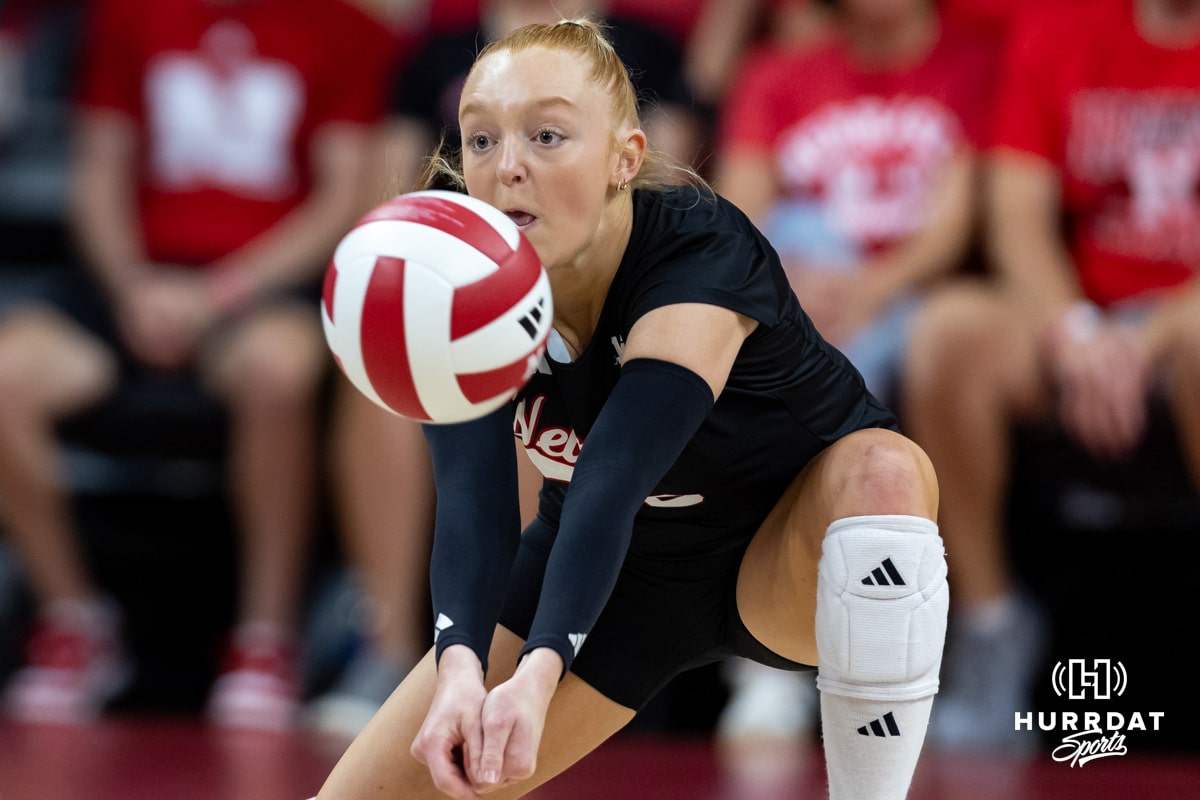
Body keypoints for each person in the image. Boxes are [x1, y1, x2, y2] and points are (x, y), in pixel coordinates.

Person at [313, 18, 947, 800]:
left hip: (785, 549)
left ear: (626, 158)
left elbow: (615, 473)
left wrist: (540, 671)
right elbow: (473, 496)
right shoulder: (451, 263)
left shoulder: (698, 246)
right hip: (619, 579)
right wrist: (460, 669)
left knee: (886, 469)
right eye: (480, 140)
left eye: (547, 135)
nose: (507, 167)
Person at [305, 0, 700, 741]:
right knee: (380, 388)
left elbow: (659, 193)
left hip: (601, 297)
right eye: (482, 136)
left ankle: (519, 656)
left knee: (532, 392)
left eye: (545, 131)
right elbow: (388, 206)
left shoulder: (645, 48)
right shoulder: (435, 52)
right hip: (462, 287)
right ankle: (387, 646)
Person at [0, 0, 394, 729]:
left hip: (261, 286)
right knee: (5, 375)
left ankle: (265, 638)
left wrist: (221, 294)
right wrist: (131, 286)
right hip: (133, 279)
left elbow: (341, 197)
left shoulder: (348, 28)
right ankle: (71, 622)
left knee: (278, 372)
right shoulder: (130, 17)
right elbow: (99, 171)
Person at [903, 0, 1200, 751]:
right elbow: (1017, 217)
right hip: (1083, 316)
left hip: (1184, 325)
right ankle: (989, 625)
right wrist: (1077, 334)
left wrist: (1155, 335)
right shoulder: (1062, 25)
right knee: (950, 331)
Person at [711, 0, 995, 745]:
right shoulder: (778, 74)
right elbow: (739, 215)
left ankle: (833, 655)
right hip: (804, 298)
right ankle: (771, 653)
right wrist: (791, 291)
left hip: (909, 300)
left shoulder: (972, 63)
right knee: (757, 325)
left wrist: (863, 293)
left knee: (823, 375)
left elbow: (953, 226)